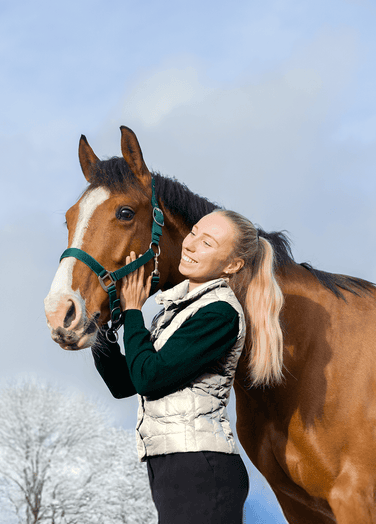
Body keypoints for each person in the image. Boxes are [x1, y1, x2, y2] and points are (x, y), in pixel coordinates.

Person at [92, 209, 284, 524]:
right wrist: (99, 324)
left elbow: (148, 378)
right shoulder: (176, 311)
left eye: (207, 243)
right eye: (193, 232)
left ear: (233, 265)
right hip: (172, 467)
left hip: (200, 470)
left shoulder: (219, 313)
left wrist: (133, 311)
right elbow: (124, 382)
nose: (191, 244)